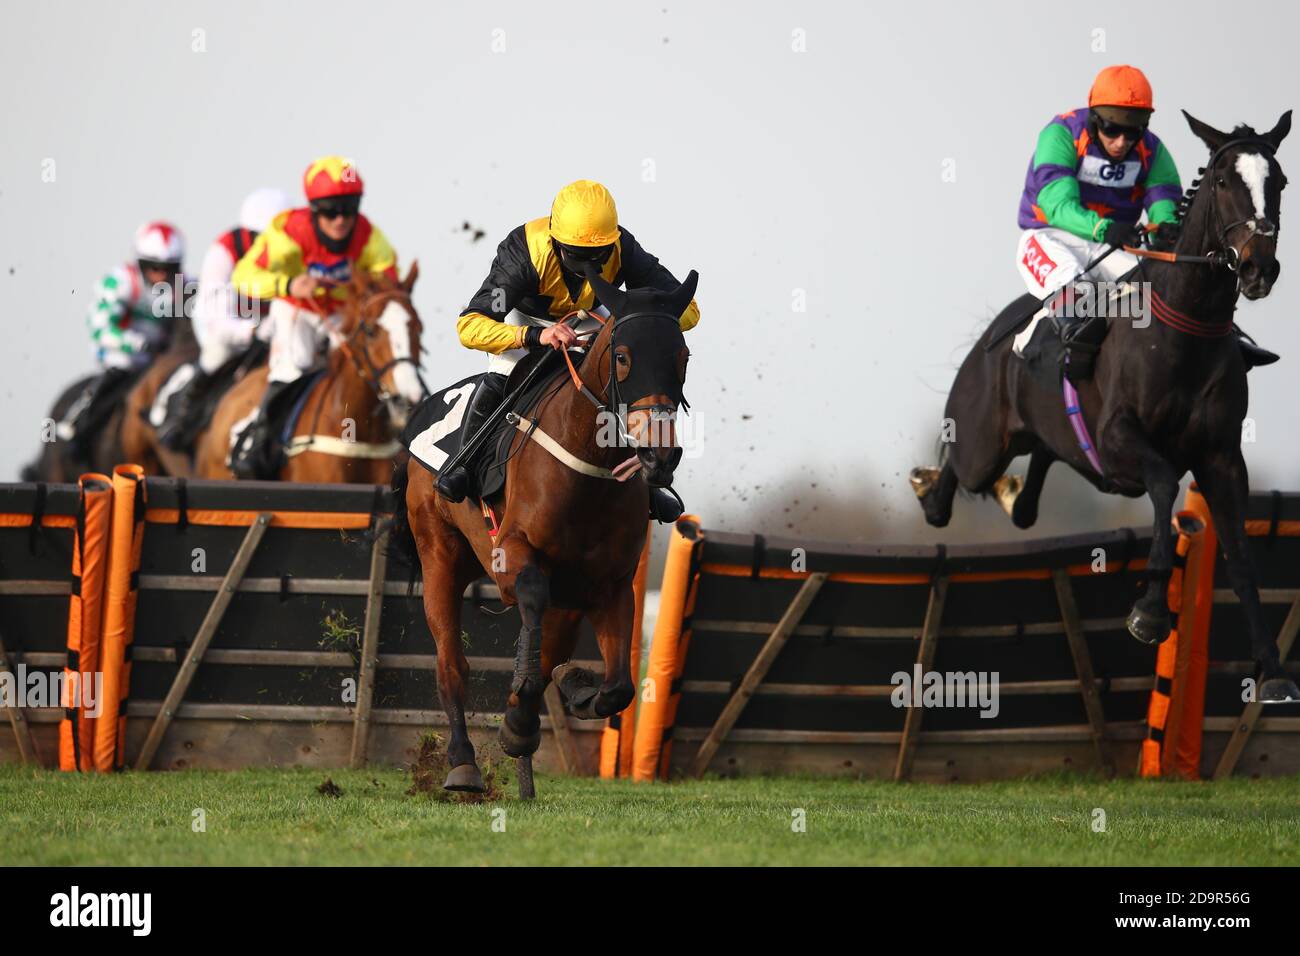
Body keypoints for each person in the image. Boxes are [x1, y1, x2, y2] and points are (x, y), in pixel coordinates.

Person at [435, 179, 700, 521]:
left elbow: (688, 310)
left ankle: (649, 481)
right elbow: (468, 326)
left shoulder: (623, 246)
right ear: (556, 240)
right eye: (578, 256)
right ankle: (464, 466)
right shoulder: (523, 253)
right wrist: (534, 337)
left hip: (590, 319)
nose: (590, 264)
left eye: (598, 255)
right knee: (502, 372)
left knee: (630, 372)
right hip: (526, 319)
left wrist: (640, 319)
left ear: (612, 240)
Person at [1014, 64, 1273, 367]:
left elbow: (1165, 204)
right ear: (1095, 117)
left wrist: (1164, 229)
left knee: (1161, 291)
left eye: (1132, 131)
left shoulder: (1152, 150)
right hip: (1050, 237)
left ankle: (1226, 338)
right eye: (1112, 128)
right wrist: (1103, 227)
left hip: (1114, 243)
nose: (1122, 141)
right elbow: (1056, 205)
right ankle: (1035, 348)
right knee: (1076, 288)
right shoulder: (1061, 134)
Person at [227, 157, 398, 478]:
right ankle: (258, 442)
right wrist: (289, 283)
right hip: (297, 309)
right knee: (295, 364)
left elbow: (387, 277)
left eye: (349, 209)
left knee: (371, 363)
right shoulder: (289, 230)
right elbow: (244, 276)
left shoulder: (368, 235)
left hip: (341, 314)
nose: (340, 220)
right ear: (314, 209)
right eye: (330, 211)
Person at [154, 188, 293, 450]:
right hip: (222, 320)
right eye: (261, 238)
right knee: (218, 352)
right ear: (248, 233)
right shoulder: (224, 251)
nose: (269, 247)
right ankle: (181, 413)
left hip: (270, 323)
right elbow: (216, 314)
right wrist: (249, 331)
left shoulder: (294, 250)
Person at [61, 221, 186, 460]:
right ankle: (78, 423)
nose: (160, 274)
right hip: (123, 353)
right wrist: (137, 344)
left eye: (168, 268)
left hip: (162, 357)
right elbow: (100, 327)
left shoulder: (186, 286)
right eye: (153, 266)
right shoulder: (120, 281)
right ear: (140, 263)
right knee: (120, 369)